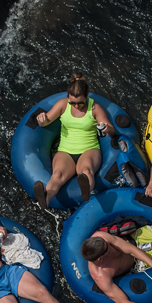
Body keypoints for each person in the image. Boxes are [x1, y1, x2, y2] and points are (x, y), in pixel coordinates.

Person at [32, 72, 115, 209]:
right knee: (57, 175)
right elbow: (45, 121)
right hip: (65, 151)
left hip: (89, 149)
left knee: (86, 170)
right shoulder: (63, 105)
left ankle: (86, 191)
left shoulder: (94, 108)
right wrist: (41, 118)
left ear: (86, 96)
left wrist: (107, 129)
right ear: (68, 98)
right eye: (73, 103)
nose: (76, 106)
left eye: (80, 103)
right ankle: (45, 199)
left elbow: (111, 131)